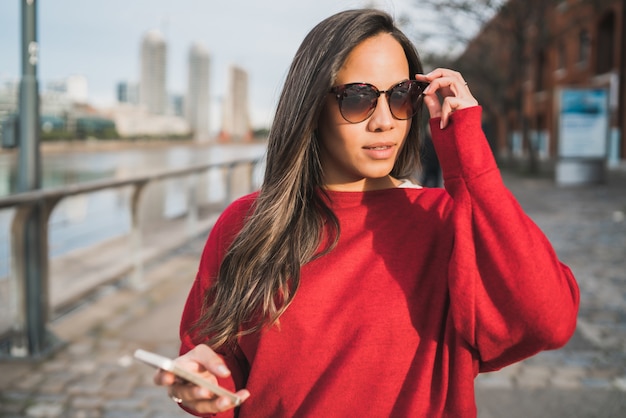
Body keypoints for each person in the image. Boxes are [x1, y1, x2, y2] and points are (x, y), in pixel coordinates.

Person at [154, 8, 579, 417]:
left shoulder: (443, 222)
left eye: (401, 96)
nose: (384, 121)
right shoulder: (247, 224)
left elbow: (550, 321)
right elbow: (214, 362)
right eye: (358, 98)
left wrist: (467, 157)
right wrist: (197, 388)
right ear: (311, 106)